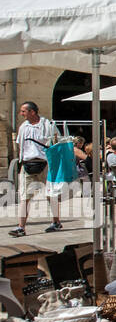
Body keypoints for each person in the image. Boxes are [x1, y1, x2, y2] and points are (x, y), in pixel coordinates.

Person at [10, 101, 61, 236]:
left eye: (23, 111)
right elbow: (20, 146)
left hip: (46, 164)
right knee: (24, 196)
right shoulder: (23, 127)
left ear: (32, 112)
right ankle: (21, 227)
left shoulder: (48, 125)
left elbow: (57, 143)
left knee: (51, 194)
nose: (21, 114)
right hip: (28, 164)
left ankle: (56, 221)